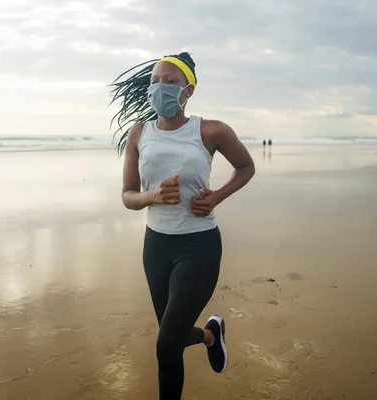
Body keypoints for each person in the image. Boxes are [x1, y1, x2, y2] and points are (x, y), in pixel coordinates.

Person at [109, 52, 255, 399]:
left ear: (187, 91)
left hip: (198, 246)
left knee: (166, 344)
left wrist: (217, 196)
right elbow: (128, 195)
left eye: (170, 82)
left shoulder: (211, 130)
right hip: (156, 246)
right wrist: (153, 196)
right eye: (155, 81)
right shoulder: (139, 133)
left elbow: (246, 167)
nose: (160, 87)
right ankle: (209, 335)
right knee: (171, 337)